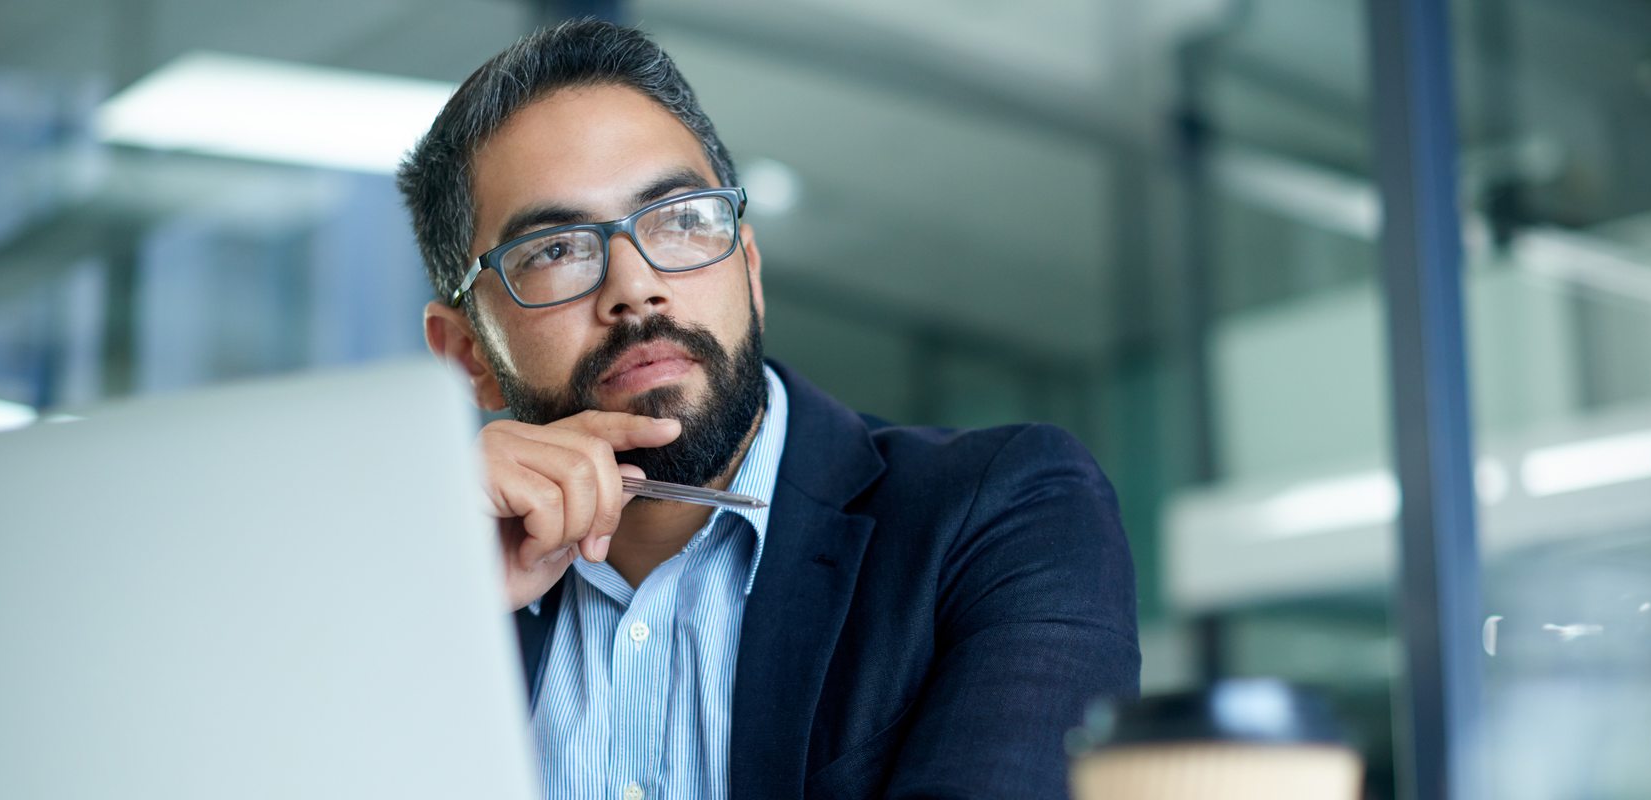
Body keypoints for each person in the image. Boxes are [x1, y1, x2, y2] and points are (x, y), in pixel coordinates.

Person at [397, 19, 1139, 800]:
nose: (635, 288)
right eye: (556, 250)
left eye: (681, 220)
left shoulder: (1005, 511)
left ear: (748, 272)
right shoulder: (419, 595)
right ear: (467, 357)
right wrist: (420, 593)